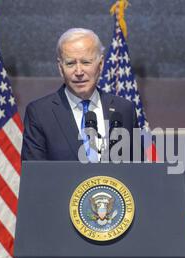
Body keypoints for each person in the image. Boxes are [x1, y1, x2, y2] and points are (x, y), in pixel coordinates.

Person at [21, 28, 138, 161]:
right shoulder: (40, 113)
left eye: (86, 62)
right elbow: (35, 176)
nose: (78, 71)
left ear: (100, 64)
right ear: (60, 68)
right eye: (70, 63)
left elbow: (136, 172)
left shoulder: (124, 109)